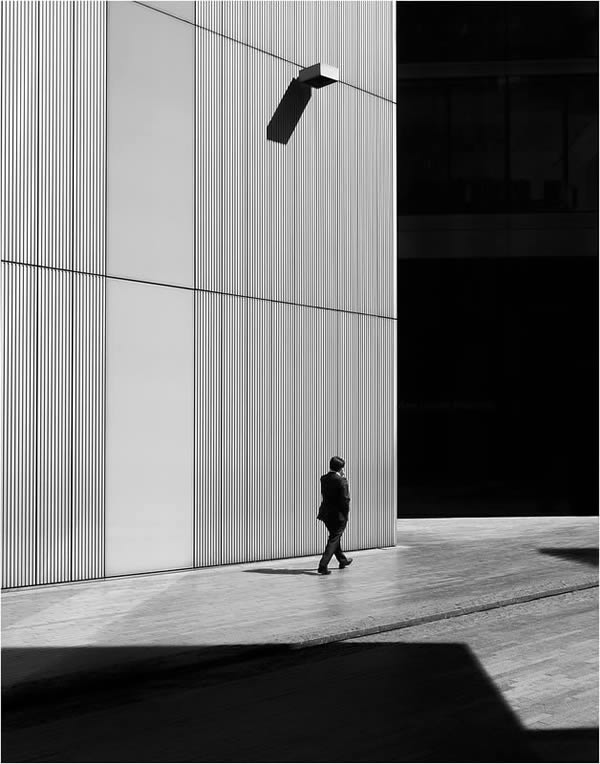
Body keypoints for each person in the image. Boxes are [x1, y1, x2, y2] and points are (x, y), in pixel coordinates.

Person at [317, 456, 353, 575]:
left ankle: (343, 560)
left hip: (326, 513)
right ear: (340, 468)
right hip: (338, 515)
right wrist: (345, 515)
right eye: (343, 468)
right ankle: (323, 565)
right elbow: (345, 500)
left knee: (334, 537)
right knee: (333, 539)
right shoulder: (342, 481)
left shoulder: (324, 478)